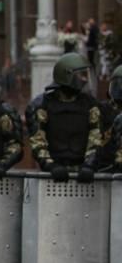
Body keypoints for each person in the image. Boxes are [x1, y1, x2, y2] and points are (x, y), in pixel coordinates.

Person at [26, 52, 102, 183]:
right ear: (67, 75)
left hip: (83, 173)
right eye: (80, 75)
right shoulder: (42, 105)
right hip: (51, 176)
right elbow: (38, 140)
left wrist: (89, 164)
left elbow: (95, 138)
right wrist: (50, 165)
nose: (84, 79)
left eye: (85, 75)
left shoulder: (90, 105)